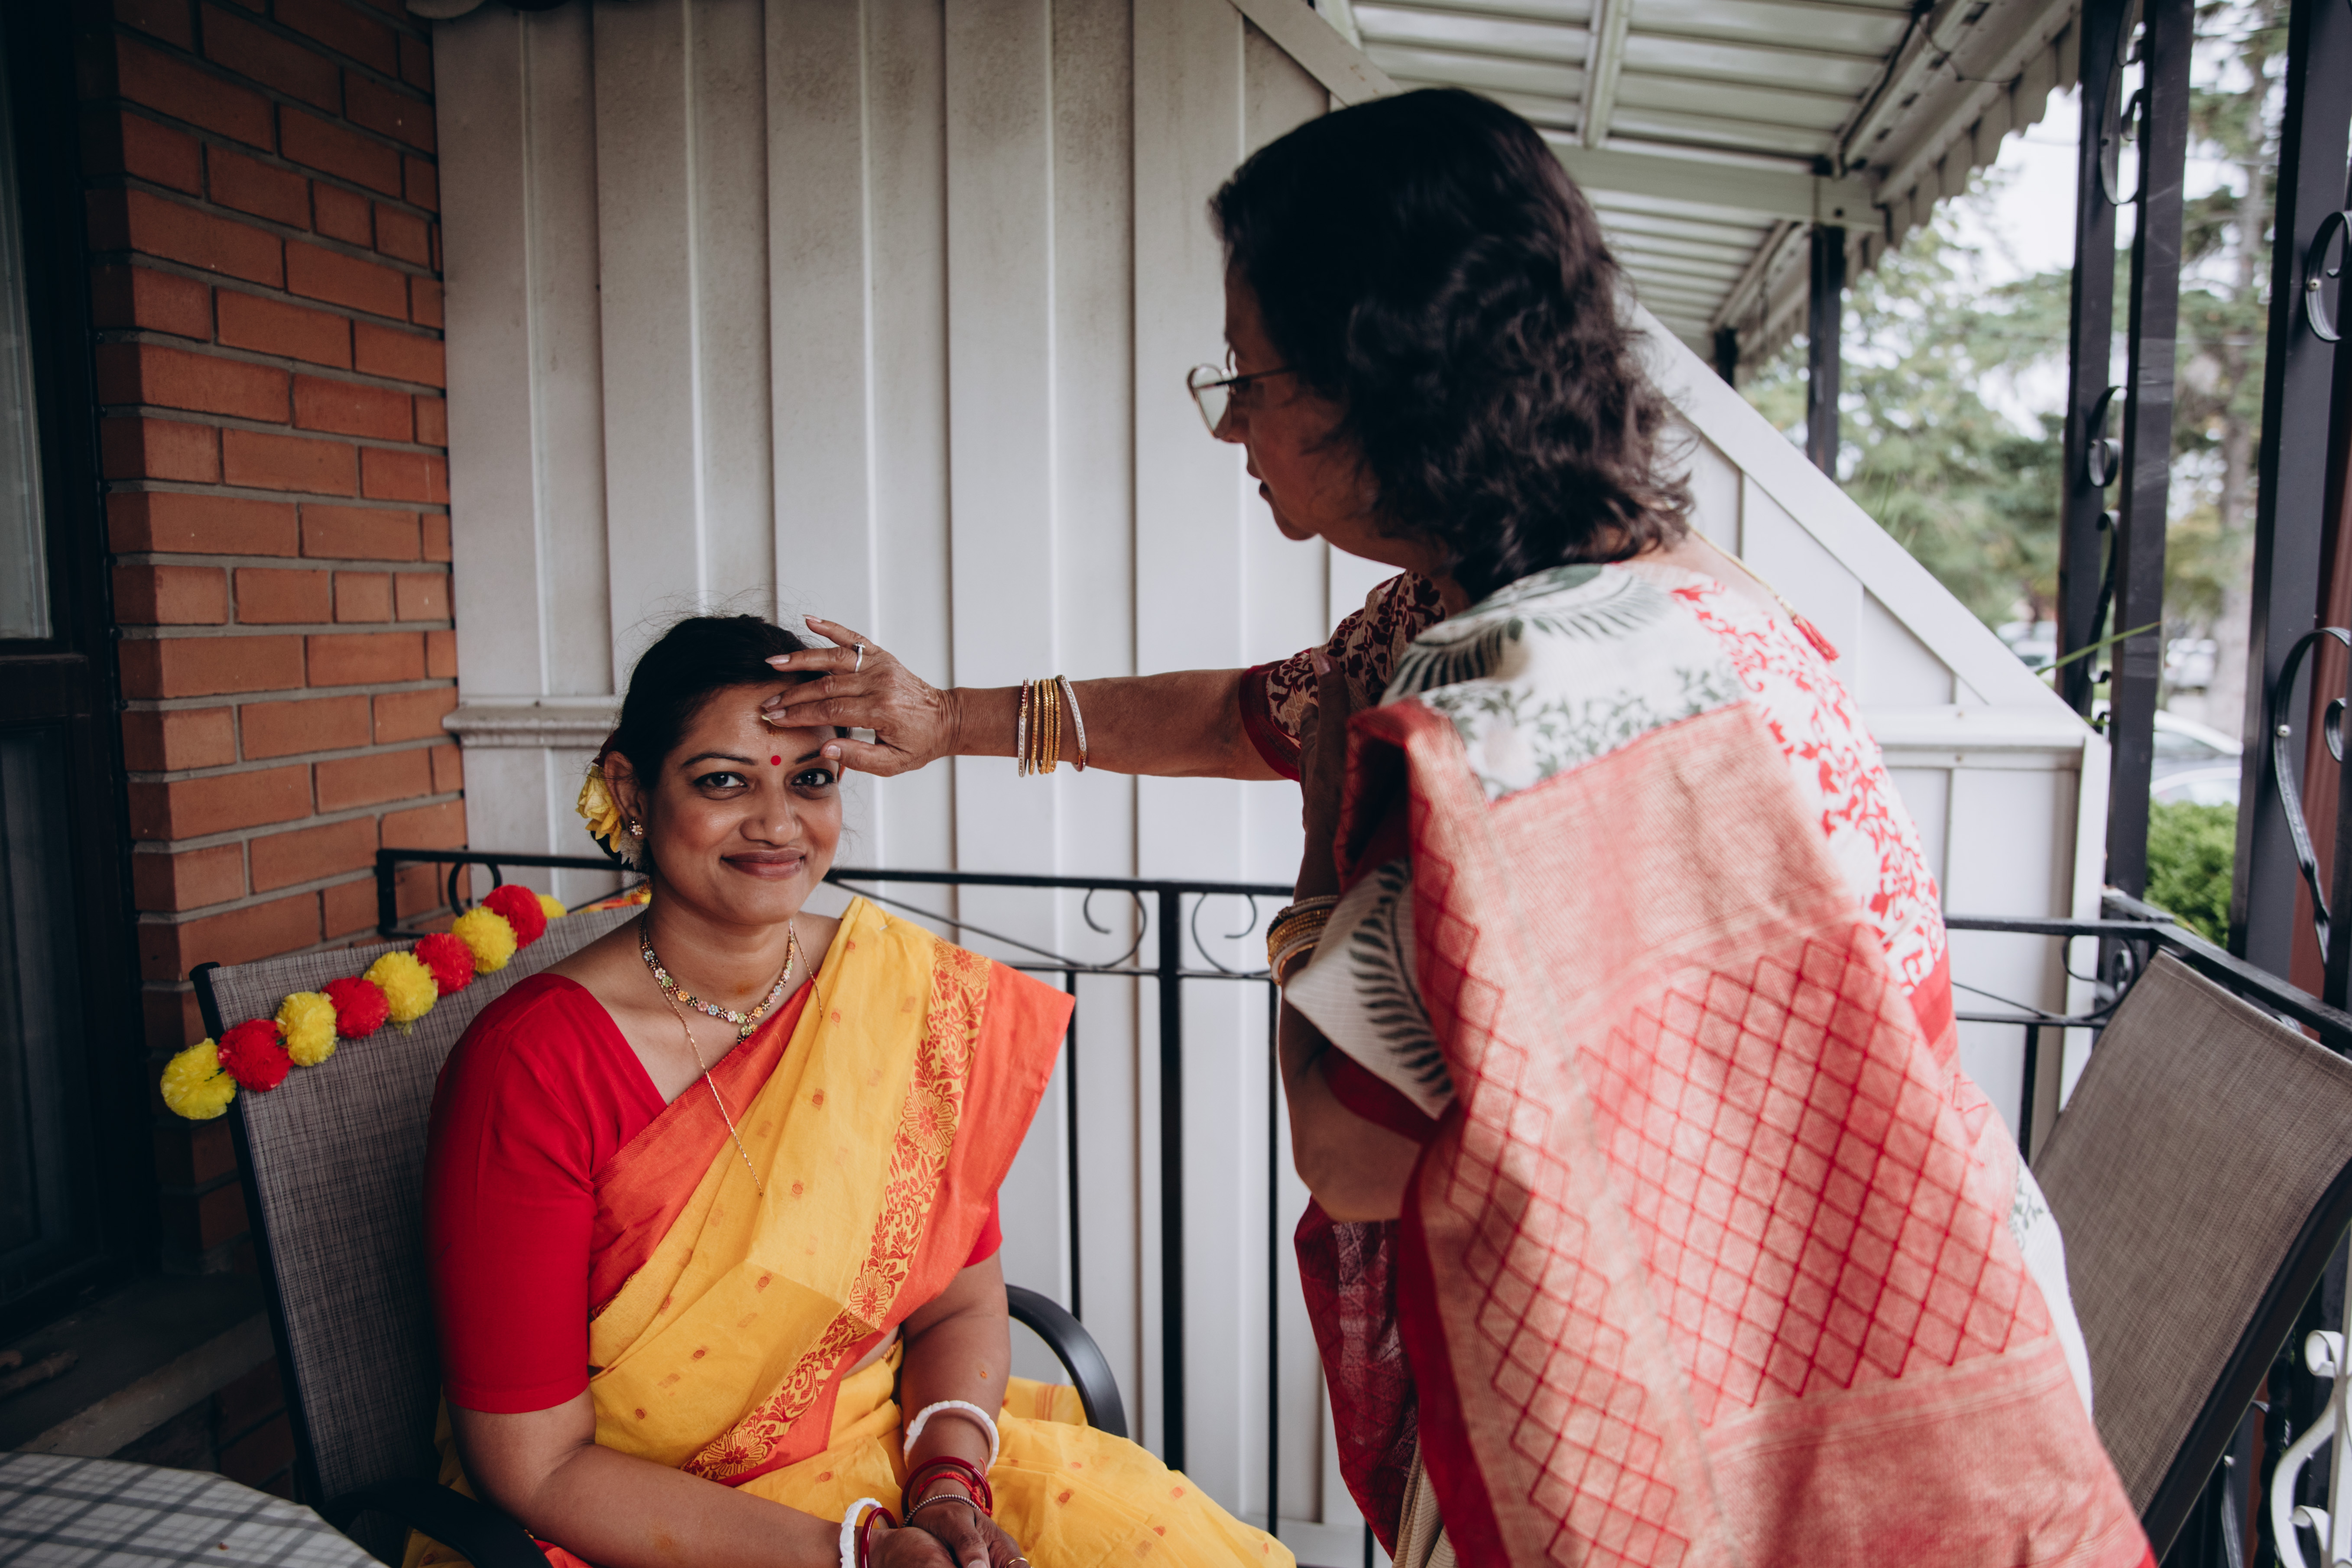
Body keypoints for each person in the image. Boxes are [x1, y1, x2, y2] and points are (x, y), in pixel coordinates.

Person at [765, 91, 2149, 1568]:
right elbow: (1251, 710)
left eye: (1248, 375)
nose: (1228, 421)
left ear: (1382, 374)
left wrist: (1319, 880)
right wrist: (947, 717)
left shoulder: (1511, 702)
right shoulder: (1675, 599)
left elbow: (1348, 1151)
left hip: (1704, 1423)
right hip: (1913, 1324)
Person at [414, 615, 1288, 1568]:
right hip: (643, 1534)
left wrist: (947, 1484)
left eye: (811, 779)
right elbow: (535, 1468)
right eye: (723, 781)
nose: (778, 824)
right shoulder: (531, 1067)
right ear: (630, 790)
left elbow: (957, 1307)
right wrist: (857, 1555)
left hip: (897, 1477)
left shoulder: (896, 995)